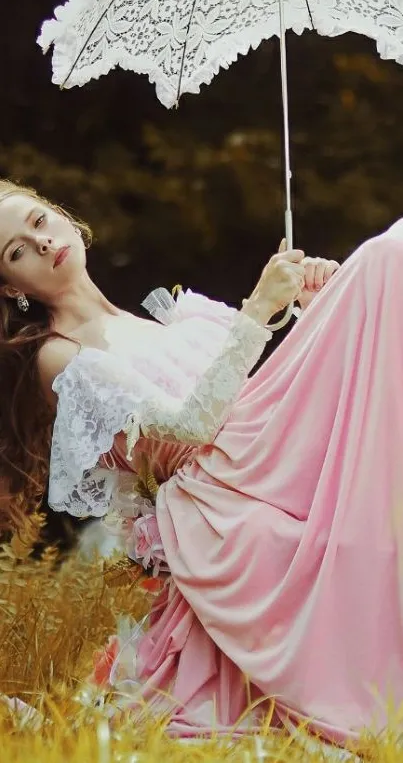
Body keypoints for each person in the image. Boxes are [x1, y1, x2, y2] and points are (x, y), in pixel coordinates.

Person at [0, 177, 401, 747]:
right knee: (386, 260)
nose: (40, 244)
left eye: (38, 222)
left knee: (380, 274)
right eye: (16, 251)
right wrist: (260, 306)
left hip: (256, 455)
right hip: (218, 497)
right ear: (11, 287)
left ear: (63, 217)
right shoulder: (59, 355)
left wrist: (311, 308)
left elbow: (247, 389)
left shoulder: (163, 320)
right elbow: (193, 424)